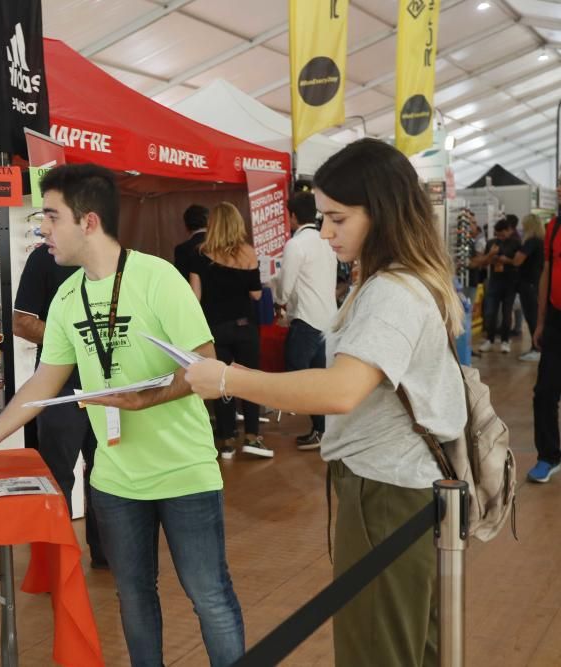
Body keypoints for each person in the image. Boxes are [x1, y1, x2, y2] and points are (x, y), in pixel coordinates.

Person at [184, 138, 466, 667]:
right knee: (407, 643)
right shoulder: (396, 279)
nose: (327, 232)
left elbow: (340, 390)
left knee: (378, 648)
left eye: (339, 218)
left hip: (386, 490)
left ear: (380, 212)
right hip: (395, 484)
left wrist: (229, 380)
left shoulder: (392, 290)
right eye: (323, 217)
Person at [0, 163, 245, 665]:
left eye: (51, 215)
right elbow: (45, 382)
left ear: (88, 221)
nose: (42, 228)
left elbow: (207, 366)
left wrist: (145, 399)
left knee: (209, 596)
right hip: (113, 480)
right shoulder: (68, 297)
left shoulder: (158, 278)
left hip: (185, 473)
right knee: (133, 597)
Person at [13, 242, 107, 568]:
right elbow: (22, 321)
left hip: (110, 387)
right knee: (57, 478)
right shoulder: (45, 257)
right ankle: (58, 563)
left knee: (107, 473)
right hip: (60, 386)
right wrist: (76, 341)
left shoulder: (116, 258)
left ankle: (107, 554)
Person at [189, 202, 270, 458]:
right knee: (250, 381)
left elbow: (195, 296)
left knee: (220, 382)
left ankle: (225, 440)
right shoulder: (248, 254)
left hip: (214, 329)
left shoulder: (199, 254)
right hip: (245, 327)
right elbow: (256, 295)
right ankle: (252, 437)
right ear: (237, 223)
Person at [274, 190, 337, 450]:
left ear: (293, 216)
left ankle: (322, 429)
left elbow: (286, 284)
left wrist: (278, 301)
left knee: (299, 375)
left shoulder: (296, 245)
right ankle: (323, 430)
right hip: (328, 318)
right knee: (319, 378)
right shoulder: (326, 240)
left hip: (306, 318)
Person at [529, 201, 561, 483]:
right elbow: (547, 274)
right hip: (556, 321)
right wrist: (540, 321)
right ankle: (548, 456)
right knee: (545, 392)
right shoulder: (554, 227)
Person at [496, 214, 545, 362]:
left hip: (528, 284)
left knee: (532, 317)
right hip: (534, 283)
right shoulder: (541, 241)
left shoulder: (530, 242)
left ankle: (537, 349)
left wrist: (507, 259)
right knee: (533, 316)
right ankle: (536, 348)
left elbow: (517, 261)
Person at [477, 218, 521, 353]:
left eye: (502, 234)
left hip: (510, 282)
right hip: (494, 281)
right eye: (497, 234)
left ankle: (505, 340)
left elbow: (519, 263)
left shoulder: (516, 243)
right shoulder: (491, 243)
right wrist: (491, 256)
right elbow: (483, 263)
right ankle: (489, 339)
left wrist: (507, 260)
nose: (500, 237)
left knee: (507, 313)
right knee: (490, 312)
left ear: (508, 231)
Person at [173, 204, 208, 279]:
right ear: (209, 223)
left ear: (186, 226)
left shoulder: (182, 249)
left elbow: (181, 280)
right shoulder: (218, 245)